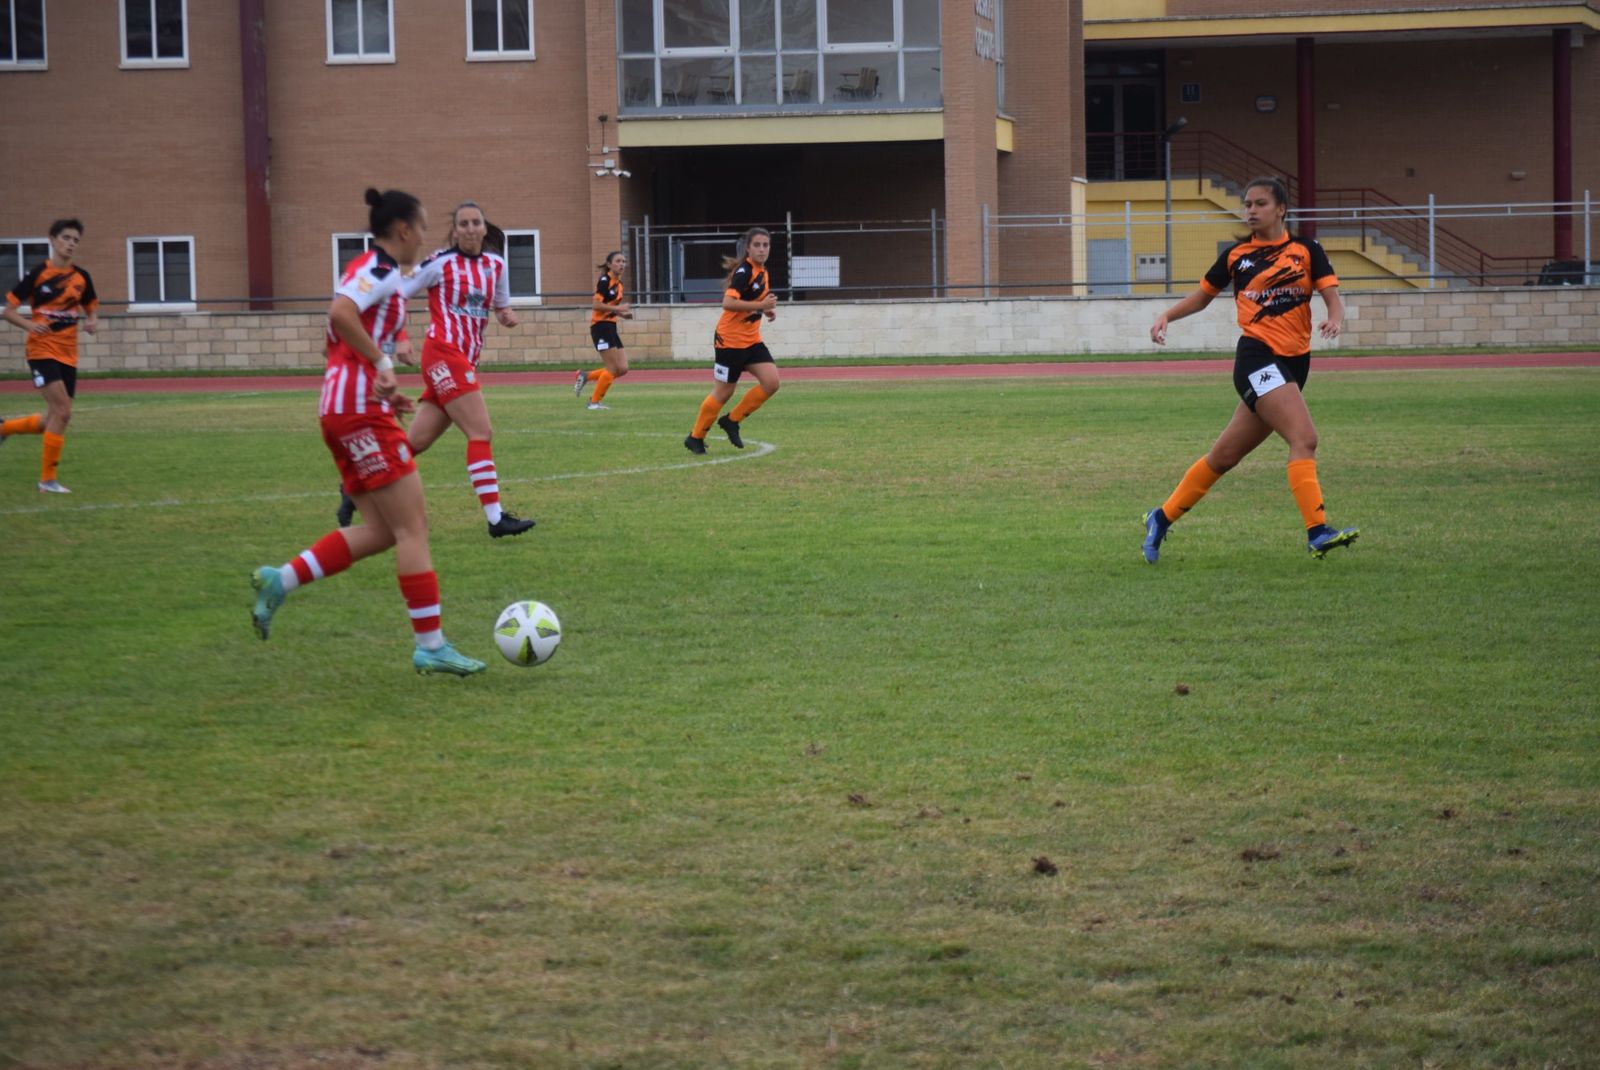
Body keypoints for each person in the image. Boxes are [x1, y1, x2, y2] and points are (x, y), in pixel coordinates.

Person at [252, 188, 485, 677]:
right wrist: (379, 364)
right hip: (358, 413)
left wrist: (380, 390)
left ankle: (282, 579)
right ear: (403, 230)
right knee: (413, 529)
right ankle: (432, 645)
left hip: (341, 410)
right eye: (421, 228)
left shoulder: (368, 271)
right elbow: (338, 316)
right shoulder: (377, 272)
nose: (424, 238)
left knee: (381, 531)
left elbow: (331, 344)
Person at [1142, 176, 1359, 563]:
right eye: (1247, 204)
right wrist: (1166, 316)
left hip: (1294, 364)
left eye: (1260, 203)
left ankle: (1161, 517)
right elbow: (1202, 296)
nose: (1251, 211)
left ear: (1281, 209)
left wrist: (1336, 318)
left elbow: (1333, 298)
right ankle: (1317, 531)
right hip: (1257, 359)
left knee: (1223, 457)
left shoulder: (1306, 250)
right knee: (1304, 439)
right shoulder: (1236, 256)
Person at [337, 201, 535, 538]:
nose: (471, 229)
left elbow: (501, 305)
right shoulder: (440, 263)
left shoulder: (495, 265)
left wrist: (507, 316)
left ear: (485, 228)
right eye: (464, 224)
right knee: (481, 432)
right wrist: (399, 337)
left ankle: (353, 486)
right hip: (443, 353)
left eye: (476, 222)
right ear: (455, 231)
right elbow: (394, 295)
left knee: (414, 443)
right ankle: (495, 518)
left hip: (464, 359)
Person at [2, 218, 98, 493]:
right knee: (63, 411)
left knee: (54, 418)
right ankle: (47, 480)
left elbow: (91, 307)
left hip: (69, 354)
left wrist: (92, 321)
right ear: (53, 240)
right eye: (66, 238)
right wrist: (30, 325)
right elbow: (8, 311)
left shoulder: (82, 277)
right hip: (41, 351)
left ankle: (5, 428)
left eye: (75, 240)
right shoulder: (37, 275)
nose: (71, 244)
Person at [684, 227, 779, 455]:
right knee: (723, 392)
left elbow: (753, 300)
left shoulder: (762, 272)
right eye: (757, 245)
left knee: (772, 382)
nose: (762, 249)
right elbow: (728, 302)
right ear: (748, 248)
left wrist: (765, 311)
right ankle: (695, 437)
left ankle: (732, 421)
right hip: (730, 342)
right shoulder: (744, 271)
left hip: (751, 340)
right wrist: (760, 306)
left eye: (765, 245)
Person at [575, 250, 633, 410]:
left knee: (622, 369)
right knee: (612, 368)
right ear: (609, 265)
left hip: (610, 326)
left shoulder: (619, 285)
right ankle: (594, 402)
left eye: (623, 261)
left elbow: (609, 308)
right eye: (618, 261)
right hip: (600, 327)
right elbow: (596, 305)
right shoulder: (604, 280)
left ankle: (586, 376)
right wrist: (619, 308)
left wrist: (621, 314)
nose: (622, 264)